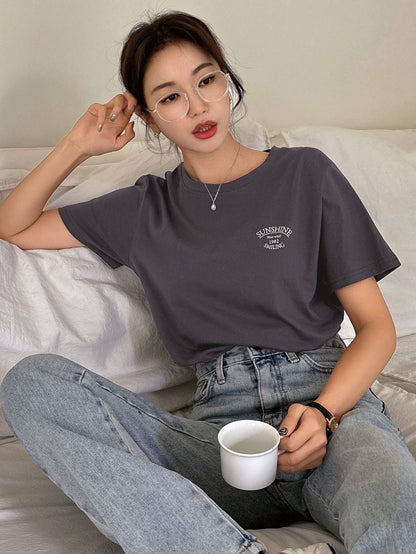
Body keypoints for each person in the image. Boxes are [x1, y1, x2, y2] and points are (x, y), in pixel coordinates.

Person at [0, 10, 415, 554]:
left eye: (206, 80)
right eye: (170, 96)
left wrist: (323, 414)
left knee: (394, 509)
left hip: (330, 409)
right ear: (150, 118)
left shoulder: (305, 174)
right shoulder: (144, 210)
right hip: (221, 441)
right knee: (30, 384)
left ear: (226, 82)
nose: (197, 106)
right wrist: (77, 145)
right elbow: (15, 225)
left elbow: (376, 327)